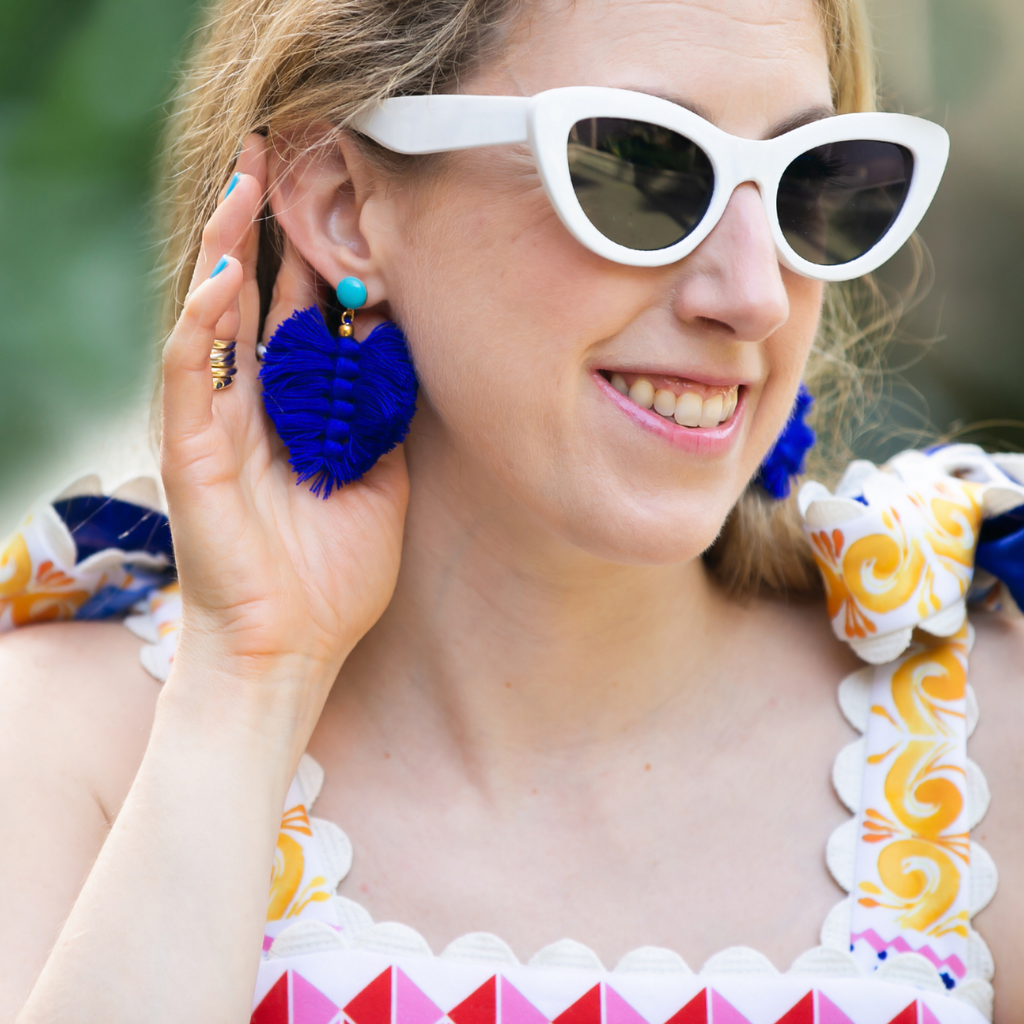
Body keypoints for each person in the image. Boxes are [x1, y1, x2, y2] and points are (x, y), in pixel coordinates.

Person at [1, 0, 1021, 1021]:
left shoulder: (981, 752)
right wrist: (250, 683)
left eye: (812, 181)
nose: (754, 293)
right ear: (346, 204)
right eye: (644, 167)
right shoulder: (69, 746)